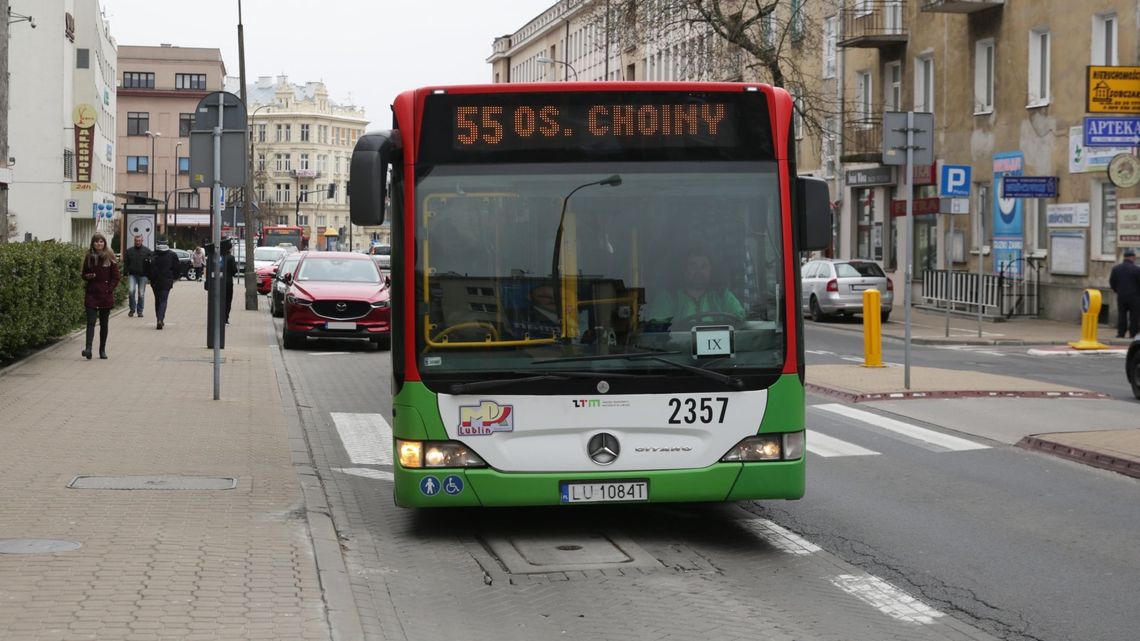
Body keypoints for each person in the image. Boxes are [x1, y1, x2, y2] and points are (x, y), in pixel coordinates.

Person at [644, 250, 746, 330]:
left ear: (711, 269)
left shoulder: (723, 295)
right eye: (693, 265)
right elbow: (656, 331)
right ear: (683, 269)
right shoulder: (668, 298)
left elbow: (740, 321)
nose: (699, 271)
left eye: (704, 266)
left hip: (720, 356)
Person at [81, 233, 120, 360]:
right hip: (92, 293)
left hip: (105, 295)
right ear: (93, 243)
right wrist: (88, 276)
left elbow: (116, 277)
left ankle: (102, 349)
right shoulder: (89, 257)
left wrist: (109, 289)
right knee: (91, 322)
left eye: (101, 242)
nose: (99, 244)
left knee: (104, 324)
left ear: (104, 243)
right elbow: (84, 273)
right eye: (97, 242)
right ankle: (88, 348)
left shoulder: (110, 257)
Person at [147, 238, 180, 330]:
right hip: (167, 280)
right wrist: (175, 277)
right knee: (163, 300)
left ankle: (159, 318)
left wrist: (149, 277)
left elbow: (147, 268)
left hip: (155, 281)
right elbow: (177, 268)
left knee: (157, 300)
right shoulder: (172, 255)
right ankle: (160, 319)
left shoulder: (153, 254)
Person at [205, 239, 239, 324]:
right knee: (227, 300)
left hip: (215, 282)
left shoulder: (213, 256)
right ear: (229, 249)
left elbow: (208, 270)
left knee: (216, 299)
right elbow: (234, 270)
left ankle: (215, 317)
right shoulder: (231, 258)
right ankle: (225, 318)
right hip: (228, 283)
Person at [1109, 248, 1140, 338]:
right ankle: (1133, 334)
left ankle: (1121, 333)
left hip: (1121, 296)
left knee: (1122, 315)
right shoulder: (1136, 269)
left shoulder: (1116, 269)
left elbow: (1112, 282)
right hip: (1135, 297)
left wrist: (1118, 291)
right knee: (1134, 316)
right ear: (1132, 257)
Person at [122, 234, 152, 318]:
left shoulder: (147, 251)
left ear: (142, 241)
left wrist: (150, 275)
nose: (137, 242)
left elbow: (151, 263)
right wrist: (125, 274)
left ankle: (140, 311)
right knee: (131, 291)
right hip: (132, 275)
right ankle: (132, 309)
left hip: (143, 276)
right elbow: (126, 264)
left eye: (139, 240)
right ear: (134, 241)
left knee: (141, 294)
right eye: (136, 240)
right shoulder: (129, 251)